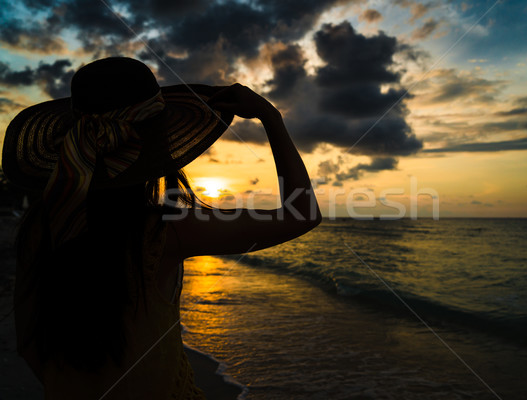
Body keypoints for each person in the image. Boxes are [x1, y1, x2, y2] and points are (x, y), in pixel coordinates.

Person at [2, 57, 321, 399]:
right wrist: (271, 117)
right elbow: (302, 213)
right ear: (157, 142)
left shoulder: (40, 226)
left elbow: (29, 347)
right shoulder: (162, 231)